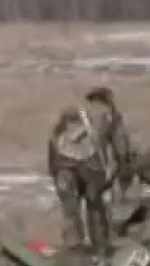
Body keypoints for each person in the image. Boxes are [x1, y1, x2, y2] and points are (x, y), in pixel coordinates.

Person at [47, 86, 136, 252]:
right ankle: (100, 248)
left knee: (70, 209)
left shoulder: (71, 112)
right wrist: (124, 170)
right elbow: (121, 147)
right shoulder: (110, 115)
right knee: (95, 205)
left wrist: (53, 170)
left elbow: (54, 141)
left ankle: (73, 248)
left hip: (62, 165)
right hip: (90, 166)